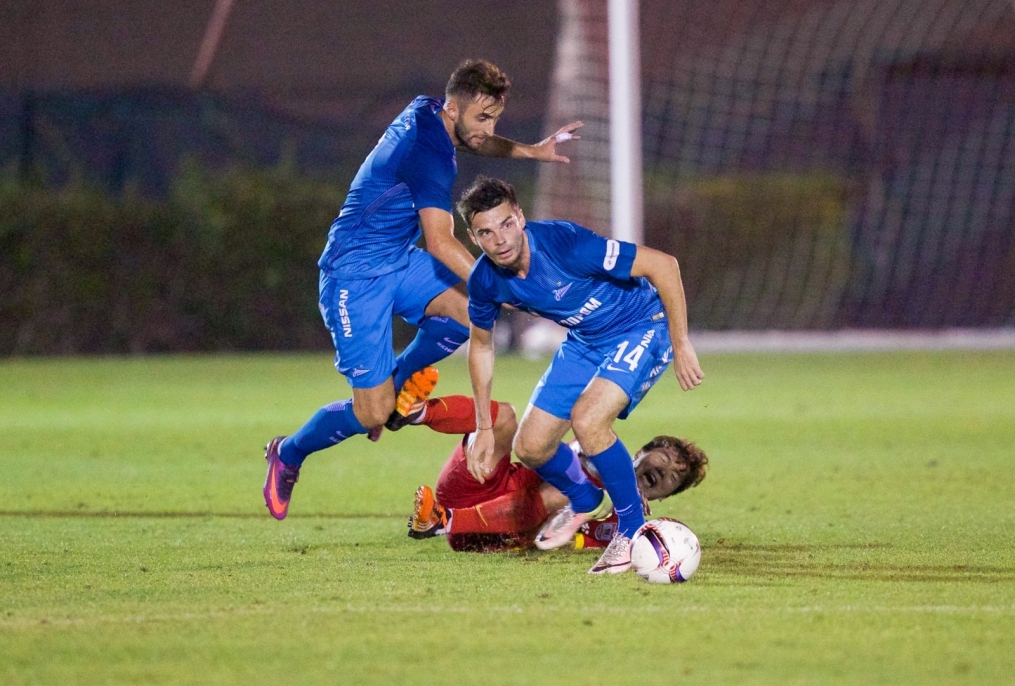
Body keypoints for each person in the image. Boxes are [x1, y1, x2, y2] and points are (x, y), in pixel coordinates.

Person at [262, 60, 581, 520]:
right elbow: (440, 241)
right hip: (353, 277)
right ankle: (288, 453)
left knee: (469, 314)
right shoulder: (429, 152)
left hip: (398, 260)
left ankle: (399, 381)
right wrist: (491, 281)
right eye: (482, 117)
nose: (489, 128)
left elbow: (477, 138)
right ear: (454, 108)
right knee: (373, 413)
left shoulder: (432, 112)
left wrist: (535, 151)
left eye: (494, 117)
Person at [460, 176, 705, 574]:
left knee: (589, 420)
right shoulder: (484, 281)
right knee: (532, 446)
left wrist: (680, 343)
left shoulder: (565, 244)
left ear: (520, 217)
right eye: (486, 232)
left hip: (642, 324)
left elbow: (664, 265)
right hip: (585, 340)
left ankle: (630, 530)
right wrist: (484, 427)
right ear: (474, 237)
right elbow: (482, 347)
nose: (500, 239)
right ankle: (584, 498)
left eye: (506, 224)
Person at [402, 394, 708, 552]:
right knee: (504, 416)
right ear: (641, 452)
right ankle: (414, 410)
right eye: (664, 458)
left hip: (491, 535)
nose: (662, 470)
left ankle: (442, 521)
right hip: (479, 483)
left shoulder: (629, 523)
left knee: (571, 497)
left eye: (673, 478)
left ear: (667, 494)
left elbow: (576, 542)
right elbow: (574, 456)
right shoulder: (600, 448)